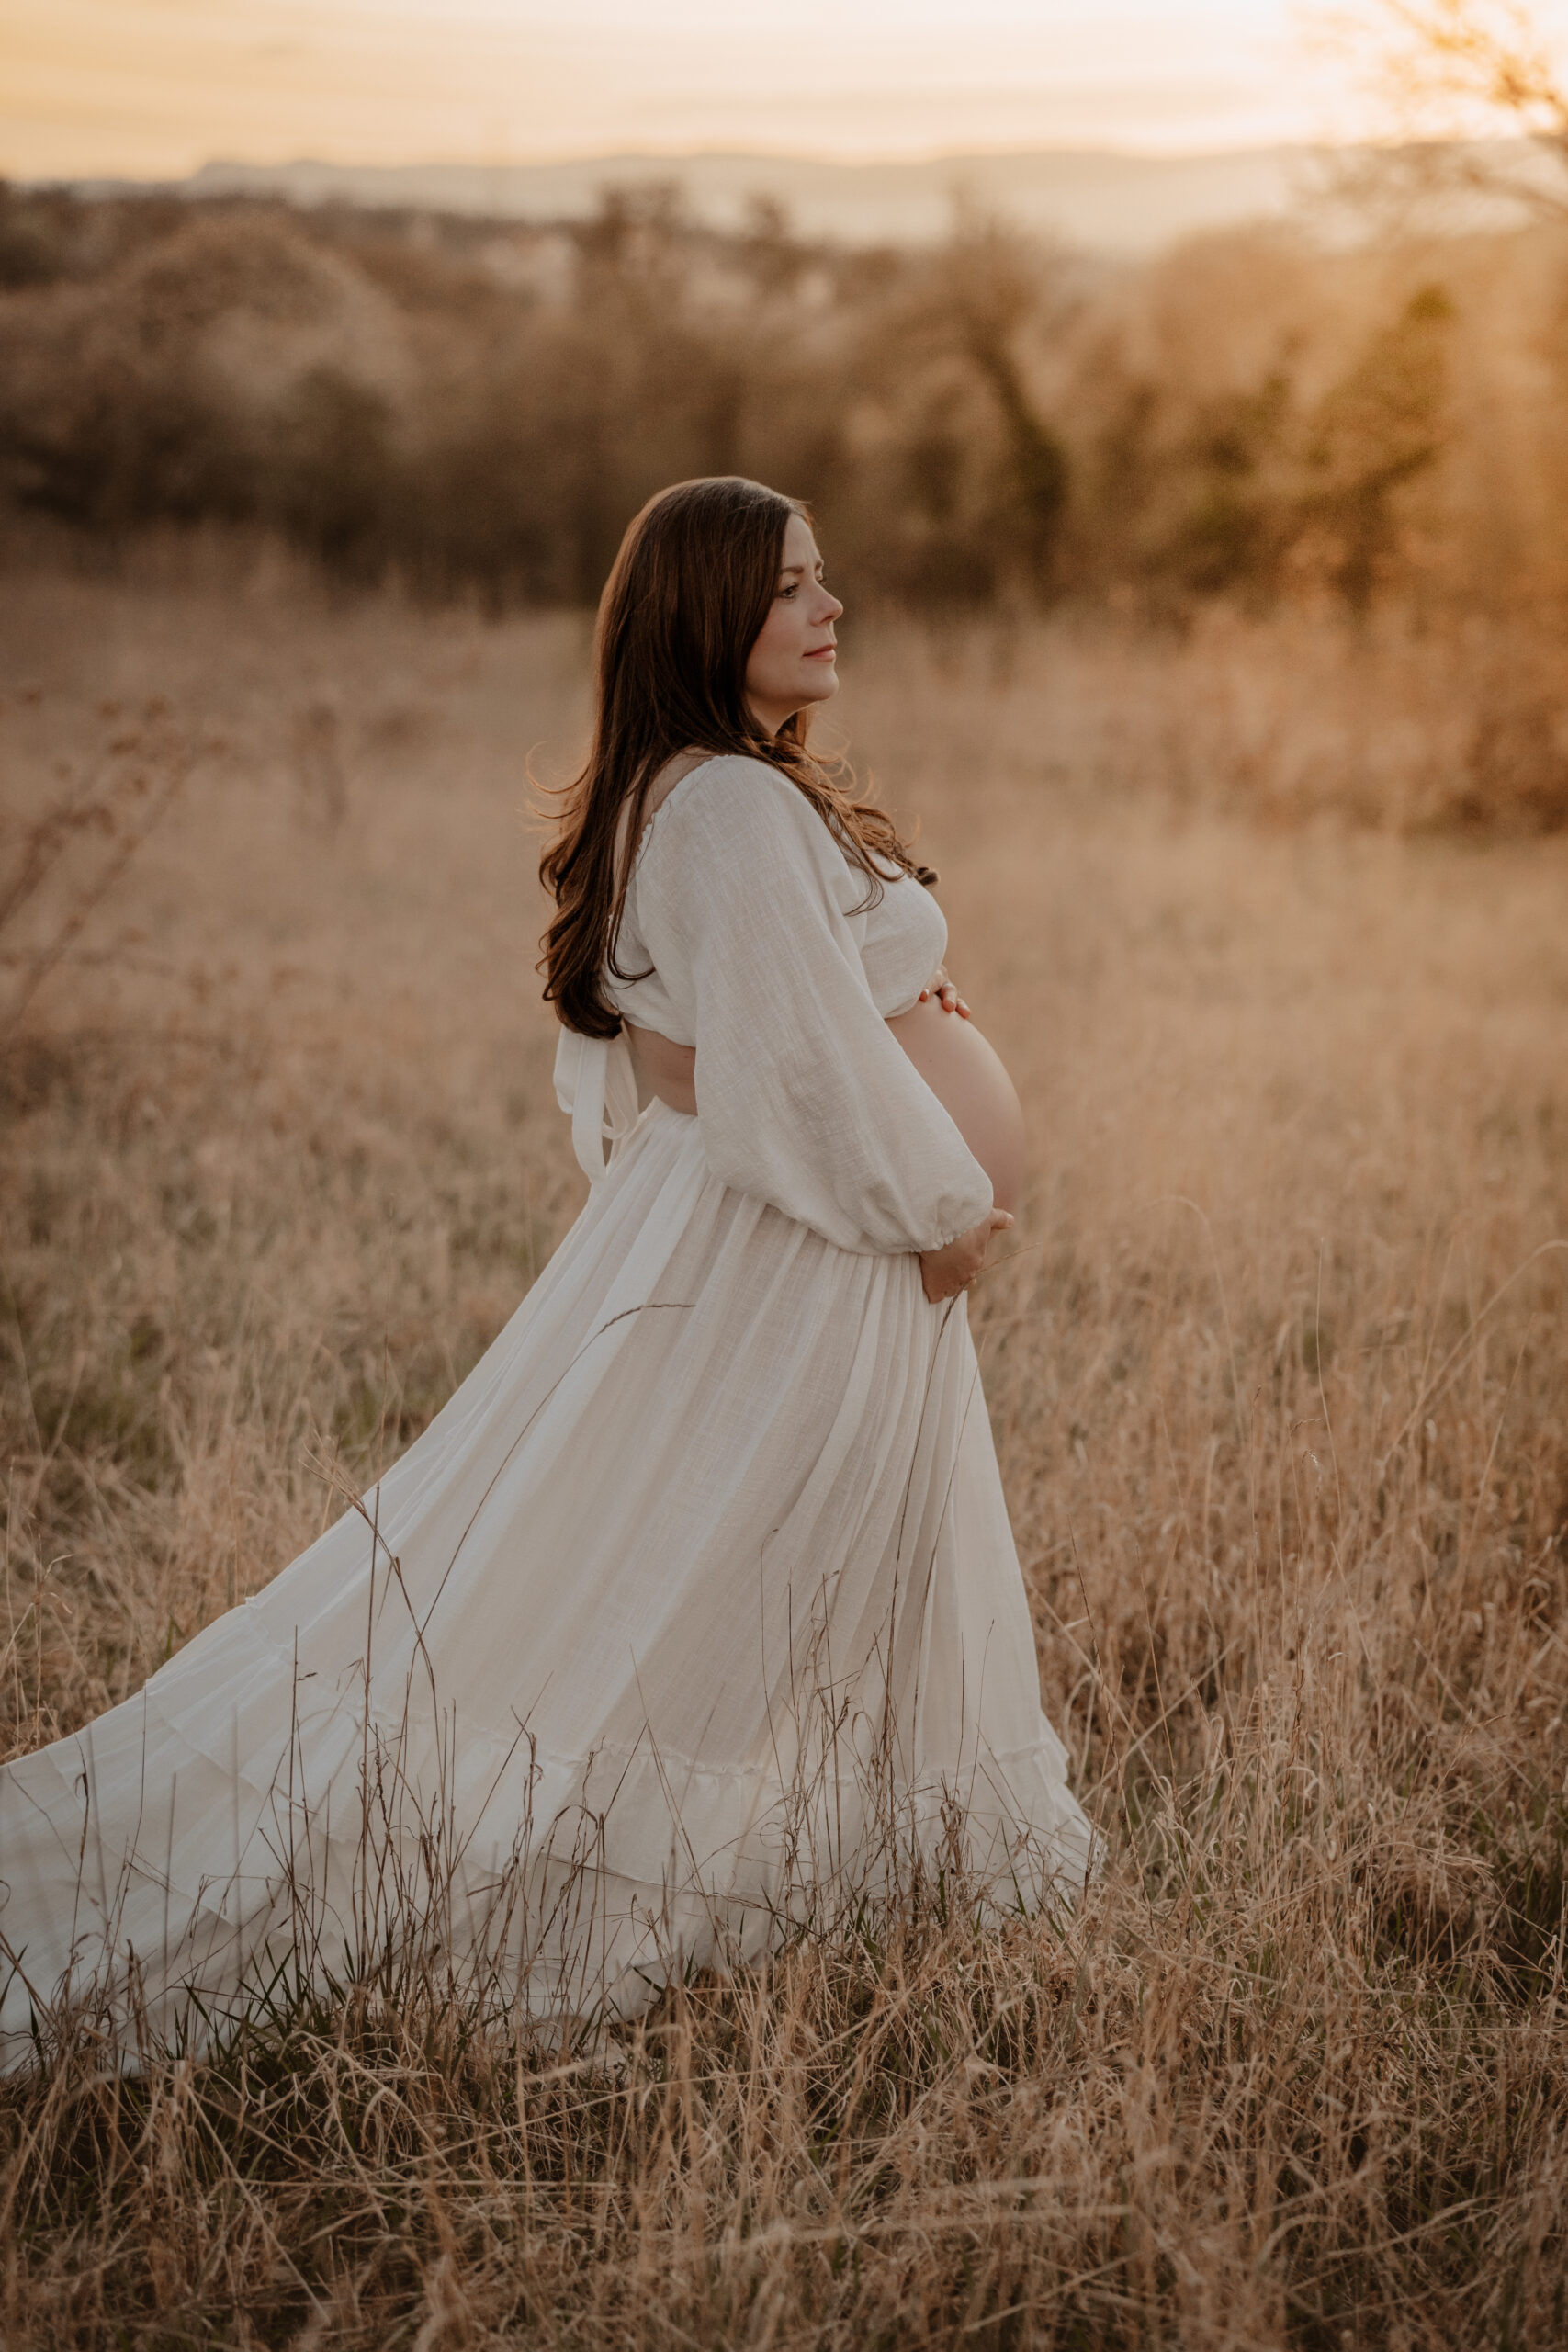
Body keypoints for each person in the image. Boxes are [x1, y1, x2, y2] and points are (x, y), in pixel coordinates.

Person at [0, 477, 1092, 2071]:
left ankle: (788, 1878)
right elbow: (766, 1071)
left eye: (823, 580)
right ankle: (575, 1905)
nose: (830, 605)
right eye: (794, 586)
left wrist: (907, 1015)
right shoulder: (721, 803)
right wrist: (934, 1205)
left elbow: (735, 1035)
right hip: (816, 1248)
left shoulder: (704, 791)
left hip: (802, 1240)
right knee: (719, 1586)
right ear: (711, 611)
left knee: (746, 1577)